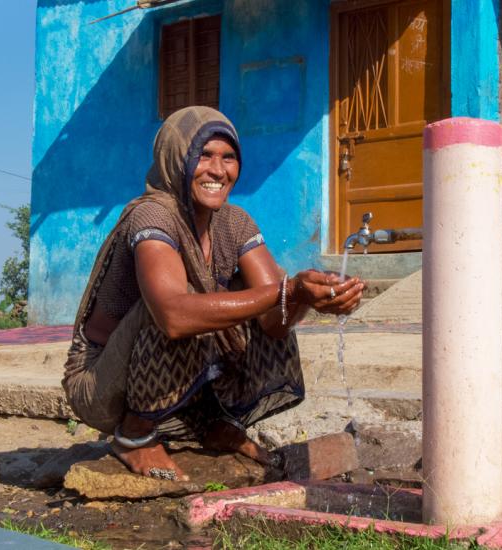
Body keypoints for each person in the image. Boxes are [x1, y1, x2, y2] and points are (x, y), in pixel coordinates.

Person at [63, 106, 365, 481]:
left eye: (229, 158)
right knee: (185, 304)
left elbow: (273, 321)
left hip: (165, 376)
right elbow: (173, 317)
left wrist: (308, 296)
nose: (218, 171)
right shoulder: (152, 215)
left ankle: (212, 423)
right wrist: (287, 291)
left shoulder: (235, 222)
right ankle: (134, 436)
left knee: (267, 294)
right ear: (176, 159)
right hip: (101, 380)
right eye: (204, 156)